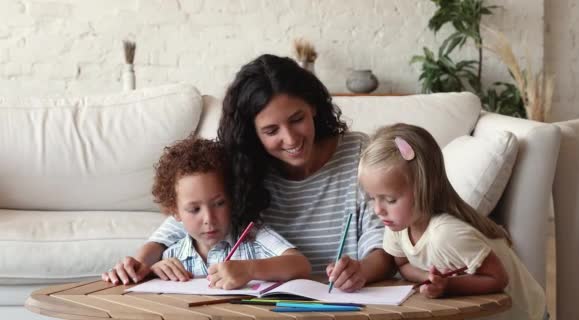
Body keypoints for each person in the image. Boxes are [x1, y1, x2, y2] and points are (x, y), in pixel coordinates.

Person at [102, 54, 394, 292]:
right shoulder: (245, 164)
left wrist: (361, 271)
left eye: (297, 119)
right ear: (253, 134)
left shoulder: (359, 154)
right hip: (266, 305)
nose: (290, 139)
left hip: (345, 300)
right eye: (271, 130)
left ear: (314, 107)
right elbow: (190, 215)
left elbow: (383, 246)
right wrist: (141, 261)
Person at [358, 123, 546, 320]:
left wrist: (447, 286)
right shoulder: (398, 226)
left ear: (424, 187)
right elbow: (402, 264)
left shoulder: (446, 234)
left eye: (390, 200)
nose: (378, 210)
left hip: (525, 314)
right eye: (372, 198)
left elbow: (498, 278)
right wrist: (429, 278)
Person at [105, 137, 311, 289]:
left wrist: (250, 270)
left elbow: (300, 265)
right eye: (194, 209)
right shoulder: (171, 256)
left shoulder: (253, 236)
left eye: (219, 203)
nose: (209, 219)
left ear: (233, 198)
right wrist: (154, 273)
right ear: (174, 212)